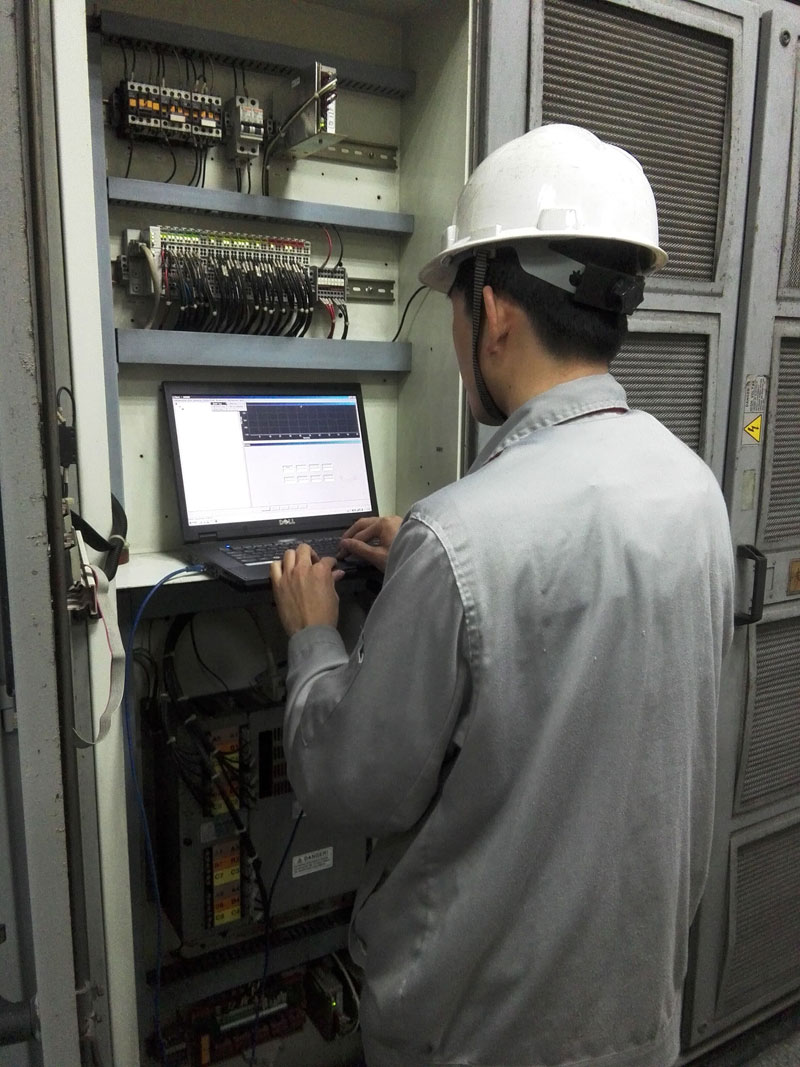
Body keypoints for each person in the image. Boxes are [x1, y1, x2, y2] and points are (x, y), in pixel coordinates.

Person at [269, 124, 735, 1067]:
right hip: (636, 1018)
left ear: (490, 312)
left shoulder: (459, 538)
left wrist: (315, 636)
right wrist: (427, 559)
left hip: (480, 1037)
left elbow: (352, 784)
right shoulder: (692, 489)